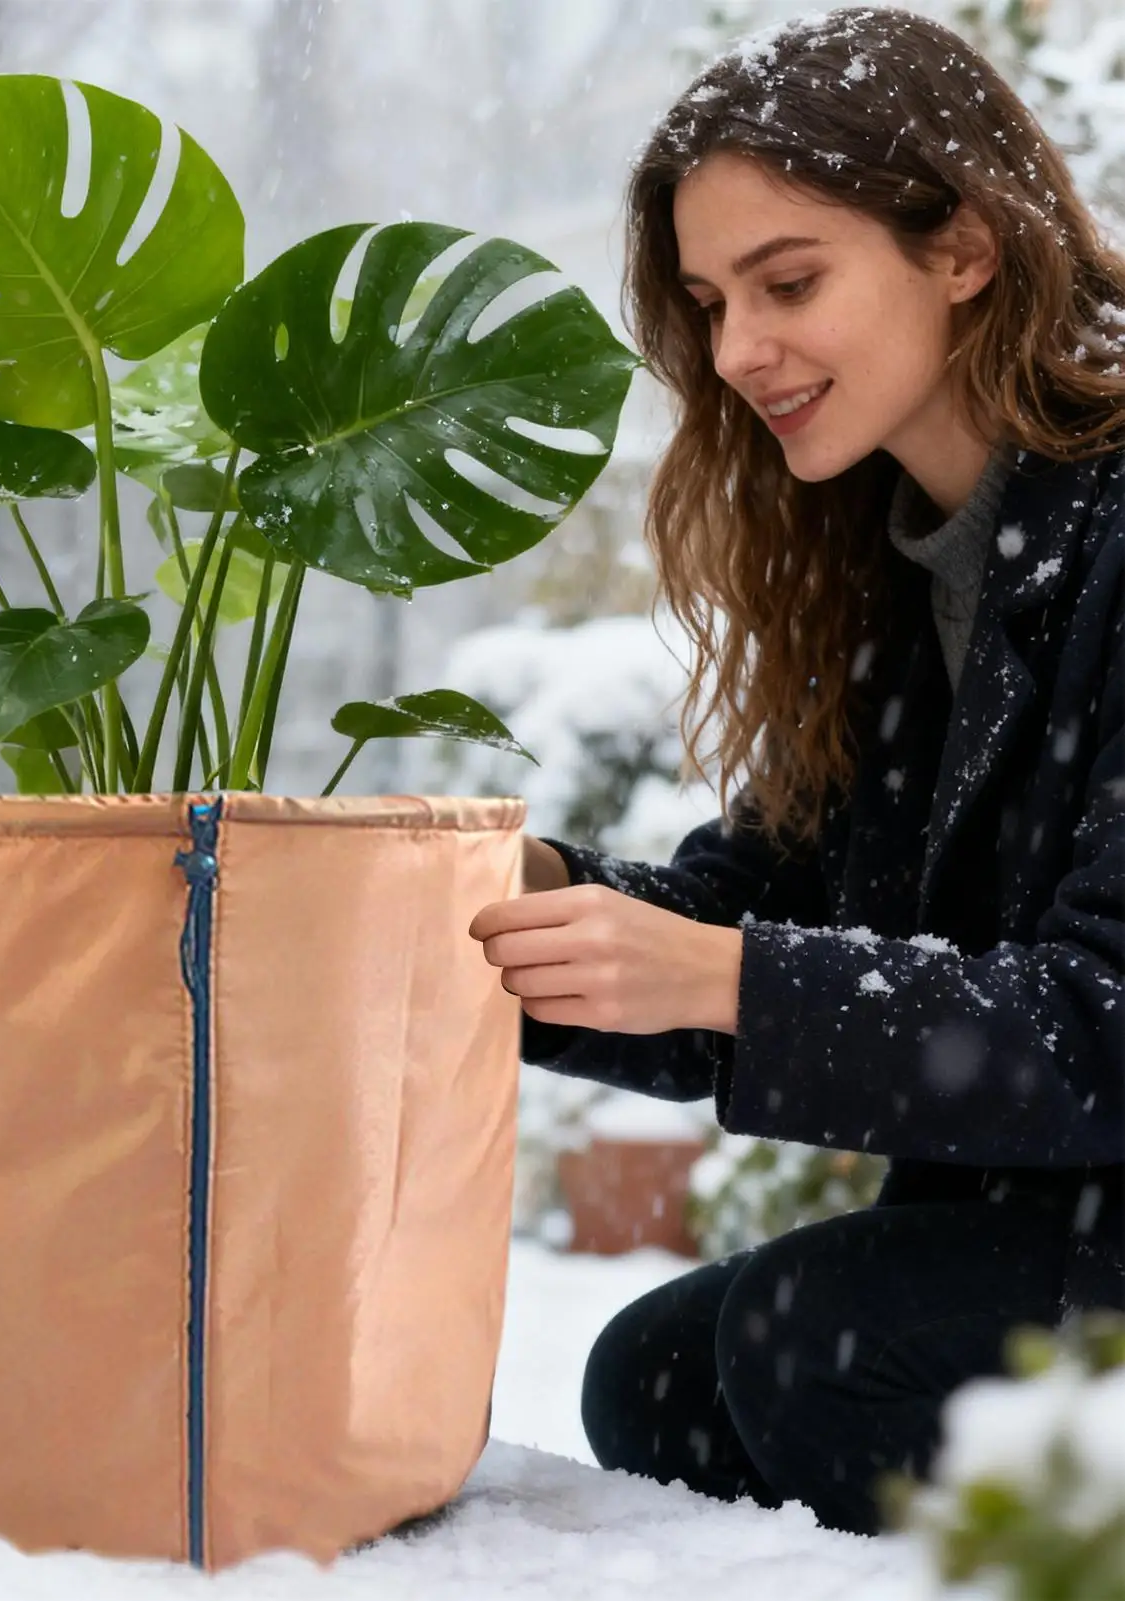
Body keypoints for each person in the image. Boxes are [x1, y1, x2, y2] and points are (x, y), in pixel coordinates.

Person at [467, 7, 1124, 1538]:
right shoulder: (891, 574)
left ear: (964, 246)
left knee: (807, 1351)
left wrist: (725, 978)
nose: (735, 352)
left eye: (789, 283)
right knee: (663, 1379)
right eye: (710, 303)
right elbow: (753, 907)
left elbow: (1104, 1025)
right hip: (1056, 1226)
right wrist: (508, 900)